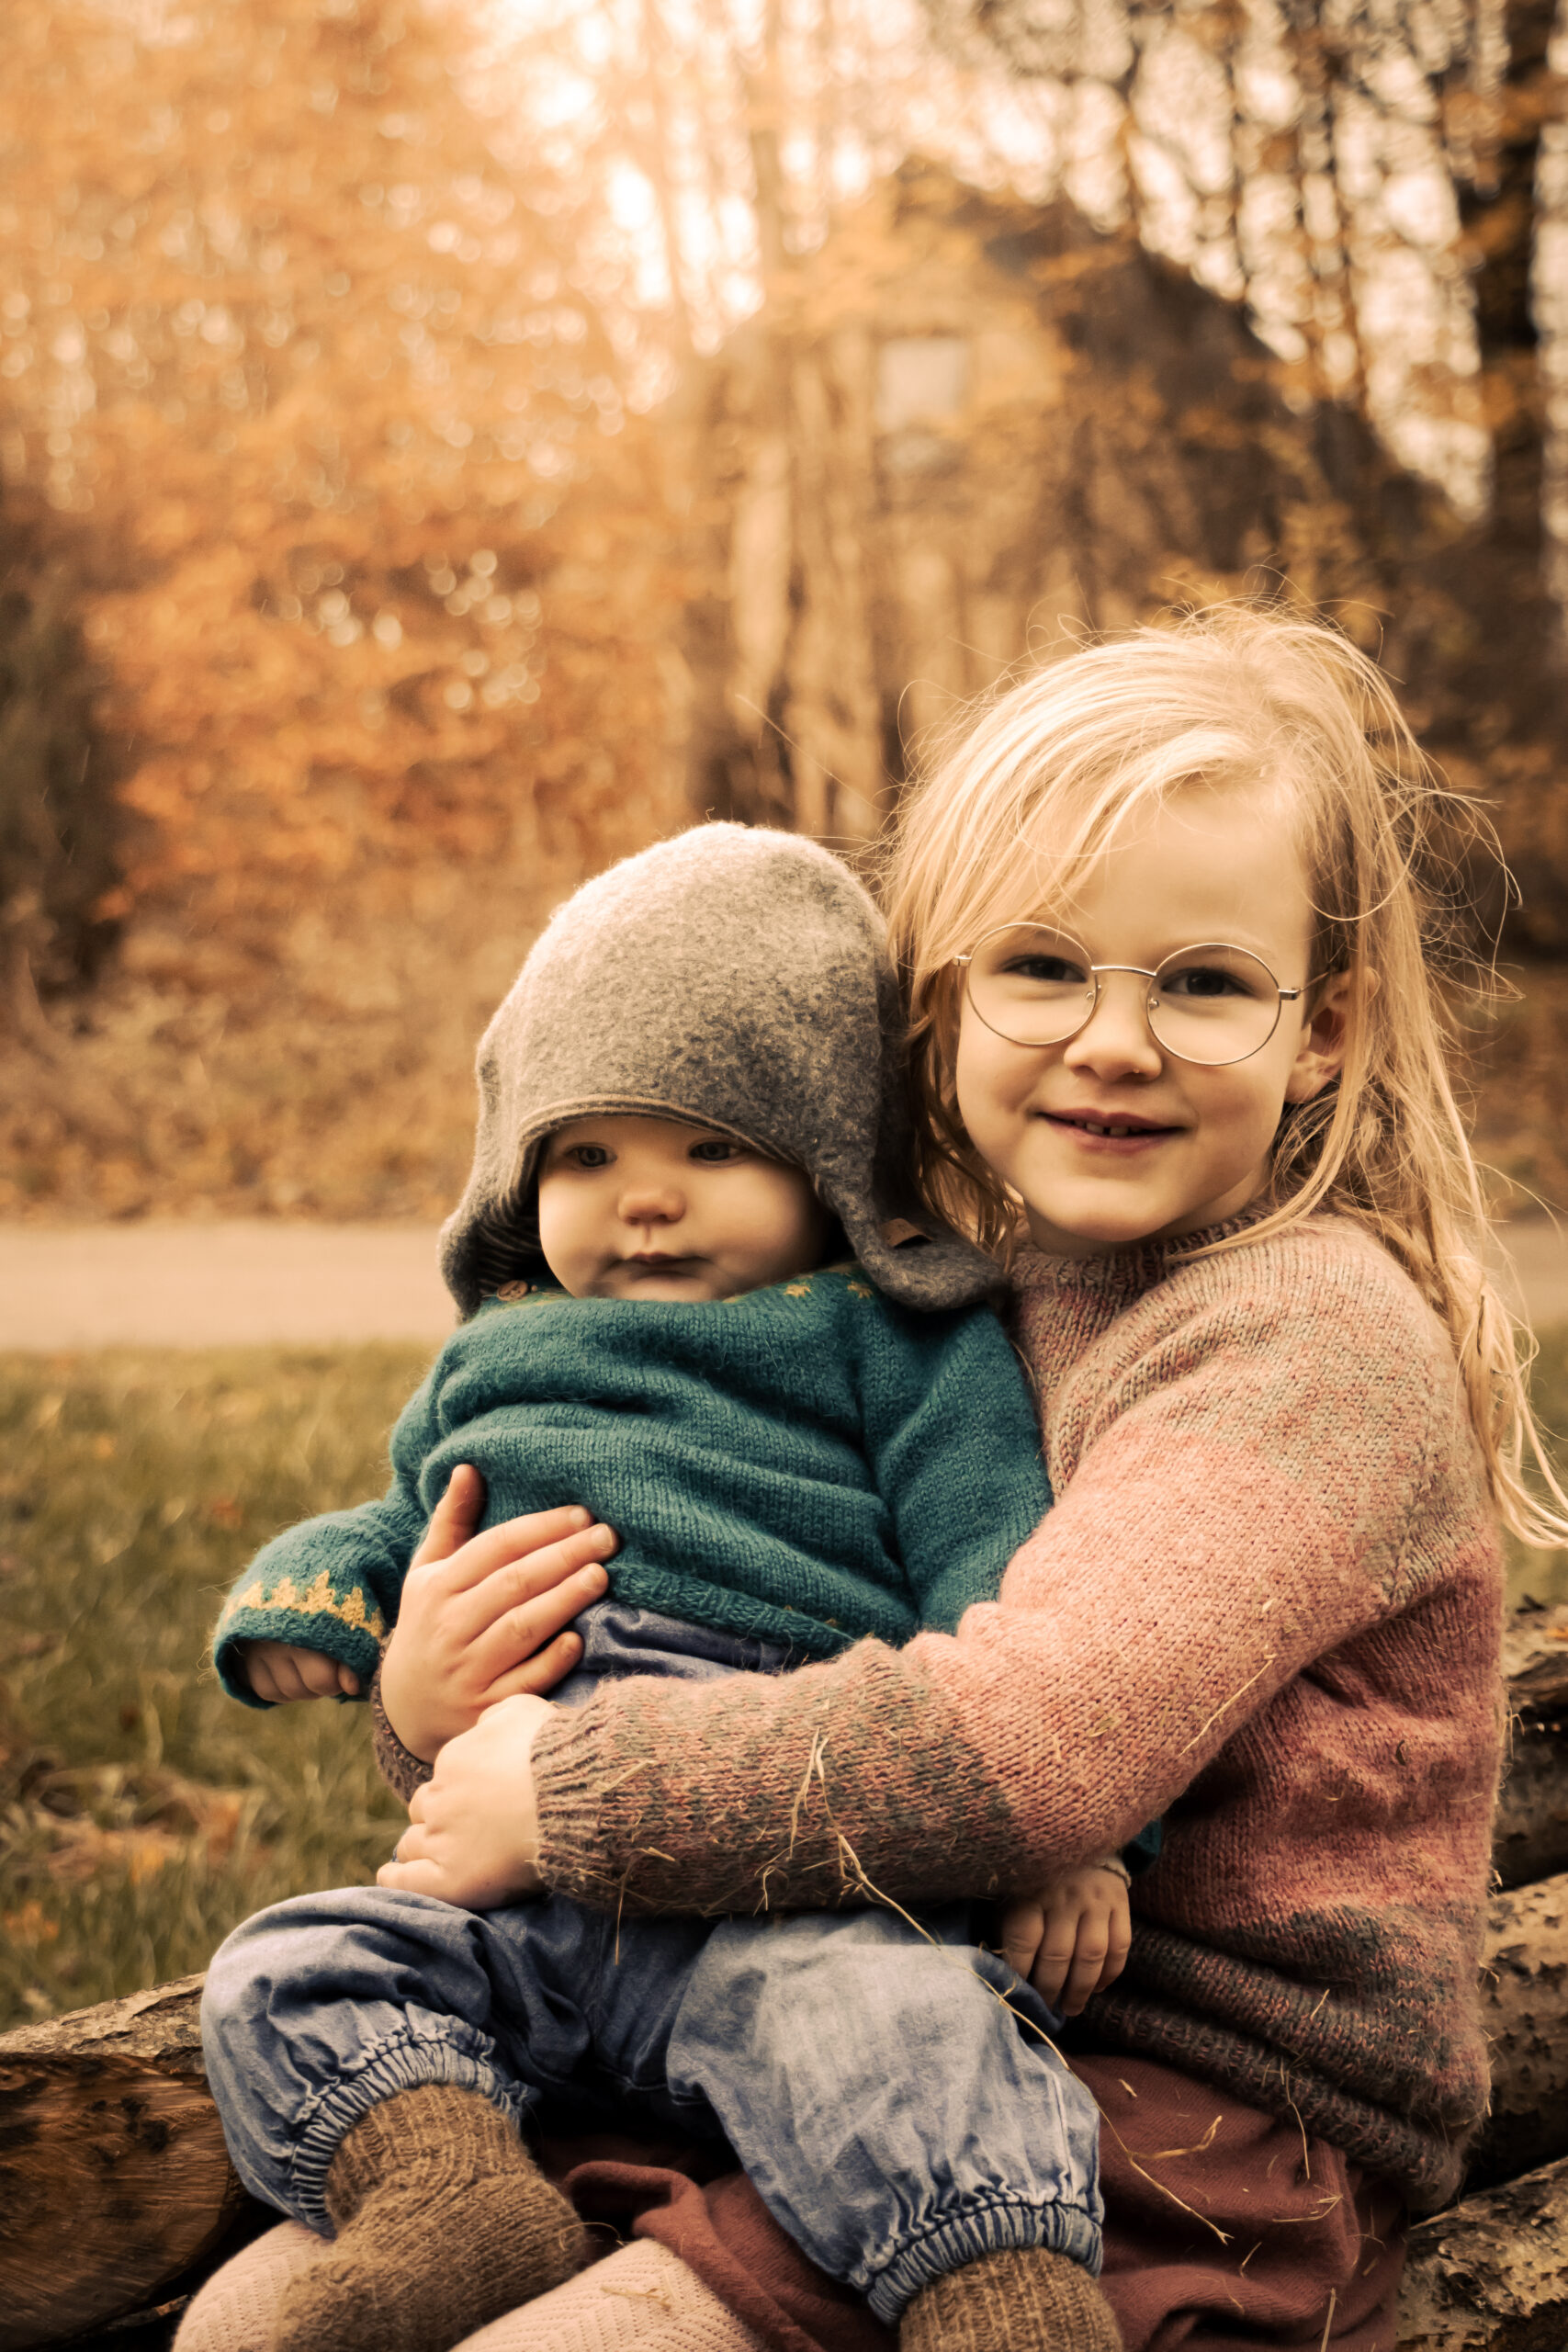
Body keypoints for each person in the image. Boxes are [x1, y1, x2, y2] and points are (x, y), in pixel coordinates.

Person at [344, 606, 1555, 2352]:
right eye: (1045, 968)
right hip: (856, 1996)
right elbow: (726, 1630)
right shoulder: (951, 1293)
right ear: (940, 1007)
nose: (1116, 1040)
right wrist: (432, 1700)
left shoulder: (1306, 1337)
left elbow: (1034, 1737)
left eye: (1205, 983)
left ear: (1321, 1028)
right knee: (266, 2306)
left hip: (1194, 2109)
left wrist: (570, 1795)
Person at [200, 823, 1155, 2352]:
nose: (644, 1200)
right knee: (294, 1968)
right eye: (588, 1155)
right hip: (524, 1896)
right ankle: (448, 2195)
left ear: (834, 1155)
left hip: (793, 1870)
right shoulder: (495, 1356)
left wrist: (1077, 1837)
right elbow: (399, 1526)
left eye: (712, 1148)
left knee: (899, 2035)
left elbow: (1014, 1589)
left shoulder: (891, 1339)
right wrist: (345, 1635)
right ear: (518, 1169)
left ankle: (1001, 2294)